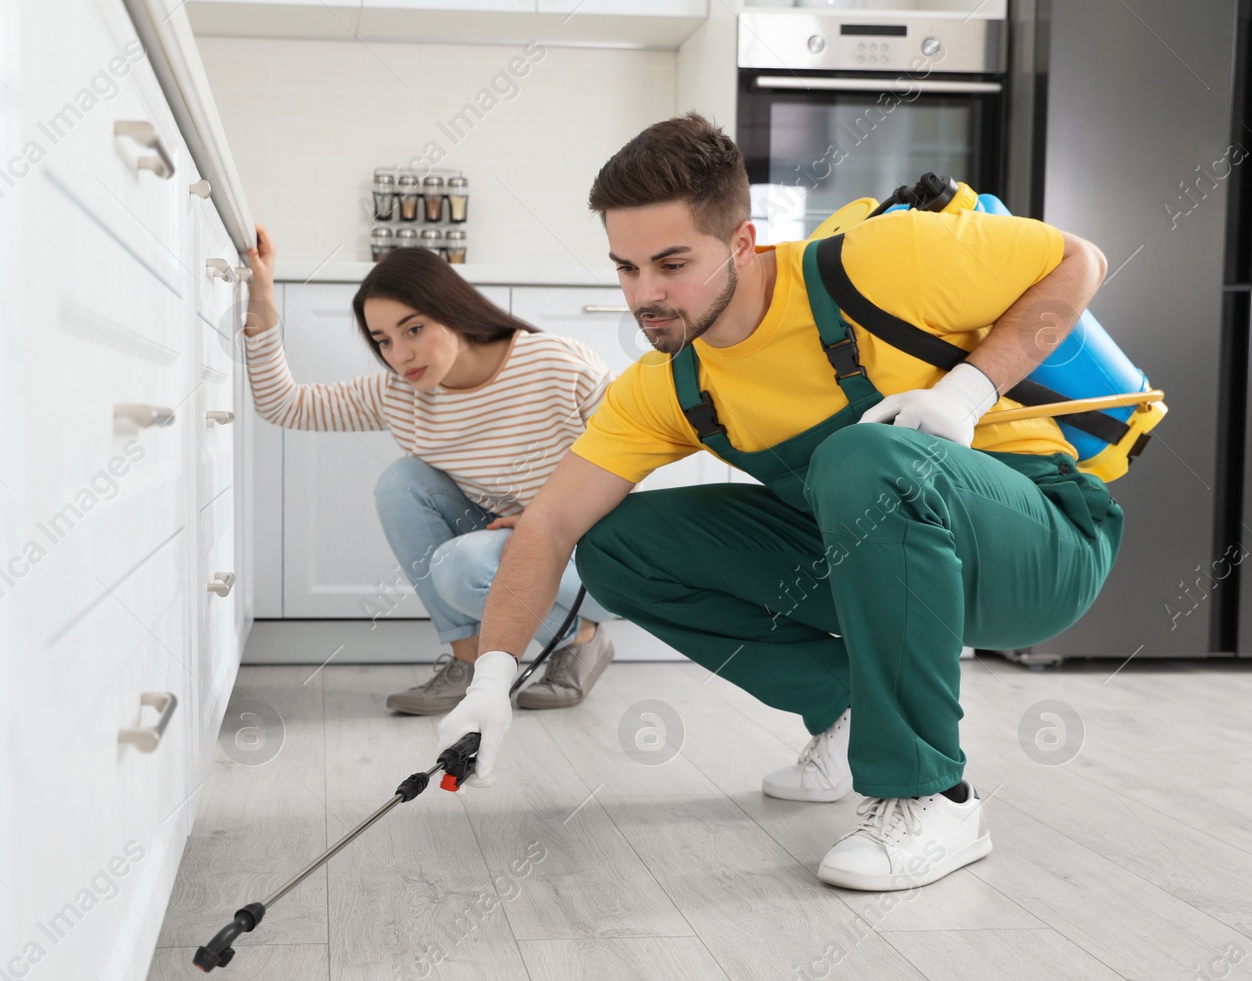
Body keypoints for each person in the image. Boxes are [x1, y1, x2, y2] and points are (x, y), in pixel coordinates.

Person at [434, 113, 1123, 893]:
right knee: (614, 544)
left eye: (670, 263)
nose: (645, 296)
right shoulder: (669, 384)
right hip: (884, 561)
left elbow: (1079, 258)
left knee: (861, 456)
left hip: (1038, 543)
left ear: (741, 243)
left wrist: (967, 392)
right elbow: (553, 521)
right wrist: (492, 678)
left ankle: (931, 795)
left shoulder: (874, 265)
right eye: (626, 268)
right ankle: (848, 705)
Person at [242, 224, 617, 714]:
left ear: (452, 309)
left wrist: (552, 516)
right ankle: (468, 662)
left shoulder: (555, 364)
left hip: (592, 553)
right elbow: (284, 405)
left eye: (413, 329)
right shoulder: (400, 394)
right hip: (510, 544)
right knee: (402, 483)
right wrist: (262, 290)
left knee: (461, 569)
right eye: (383, 341)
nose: (400, 356)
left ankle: (581, 636)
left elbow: (634, 452)